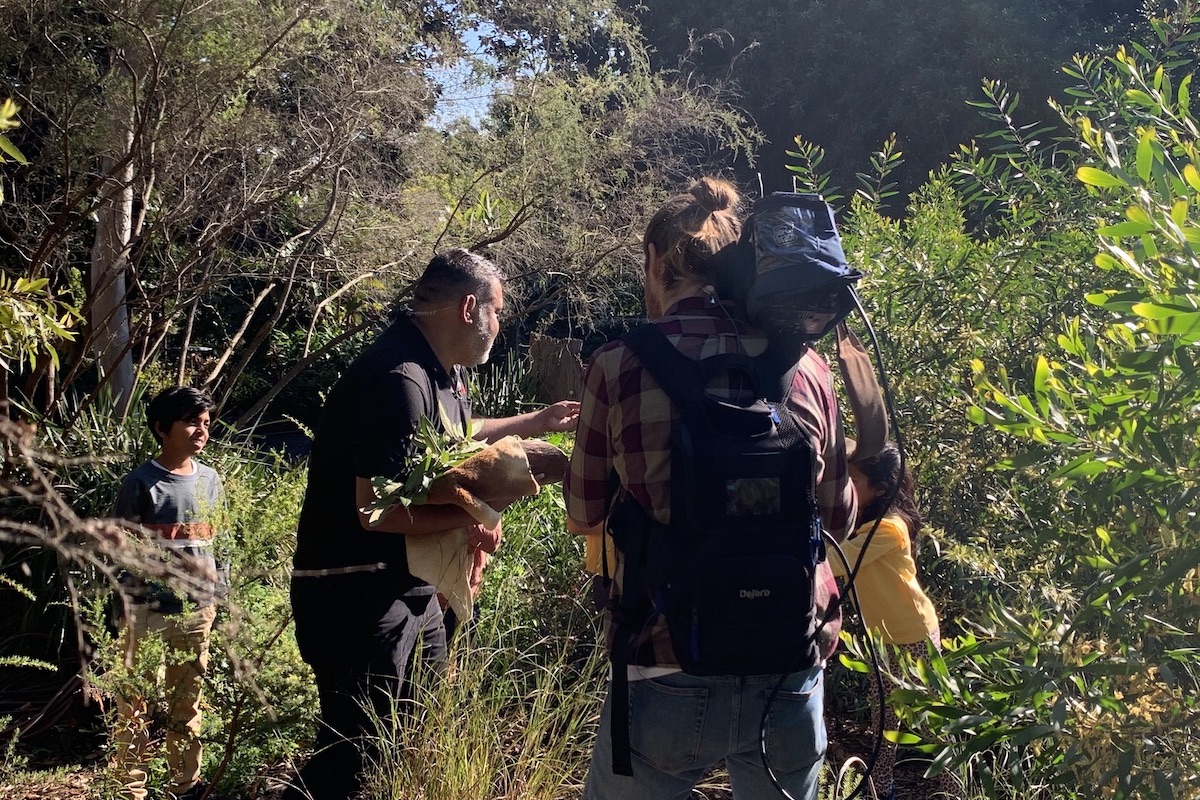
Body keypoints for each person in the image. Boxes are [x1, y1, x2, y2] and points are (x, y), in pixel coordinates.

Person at [564, 177, 856, 800]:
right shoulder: (807, 368)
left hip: (666, 656)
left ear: (655, 261)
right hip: (790, 659)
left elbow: (583, 512)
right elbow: (838, 520)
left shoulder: (618, 365)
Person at [285, 248, 579, 800]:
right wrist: (478, 513)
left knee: (405, 742)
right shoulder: (397, 379)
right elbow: (376, 513)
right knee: (356, 756)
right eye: (497, 311)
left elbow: (457, 434)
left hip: (411, 592)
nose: (499, 326)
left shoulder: (441, 373)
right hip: (355, 597)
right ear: (470, 308)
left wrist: (537, 421)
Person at [110, 386, 230, 800]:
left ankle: (186, 785)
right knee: (135, 705)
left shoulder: (211, 480)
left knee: (187, 702)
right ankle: (130, 789)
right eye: (191, 422)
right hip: (146, 611)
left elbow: (221, 542)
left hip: (196, 611)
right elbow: (120, 551)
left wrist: (220, 595)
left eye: (206, 423)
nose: (201, 430)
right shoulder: (140, 483)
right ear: (163, 428)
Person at [832, 442, 953, 800]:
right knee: (884, 723)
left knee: (935, 725)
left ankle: (955, 790)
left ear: (881, 489)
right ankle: (880, 789)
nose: (845, 486)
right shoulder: (868, 518)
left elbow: (837, 561)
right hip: (882, 639)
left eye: (852, 480)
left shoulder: (890, 528)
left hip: (913, 634)